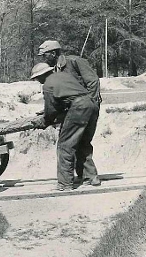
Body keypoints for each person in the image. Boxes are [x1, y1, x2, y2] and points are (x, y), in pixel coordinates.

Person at [30, 62, 101, 191]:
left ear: (42, 75)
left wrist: (44, 121)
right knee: (82, 143)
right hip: (92, 104)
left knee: (65, 146)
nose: (37, 81)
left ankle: (65, 183)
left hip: (79, 107)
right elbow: (69, 96)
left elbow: (51, 110)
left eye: (37, 78)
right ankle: (91, 177)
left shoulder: (48, 85)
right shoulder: (64, 75)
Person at [38, 40, 102, 106]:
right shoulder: (53, 69)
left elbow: (93, 81)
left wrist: (89, 102)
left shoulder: (74, 61)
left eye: (44, 55)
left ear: (53, 53)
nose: (43, 59)